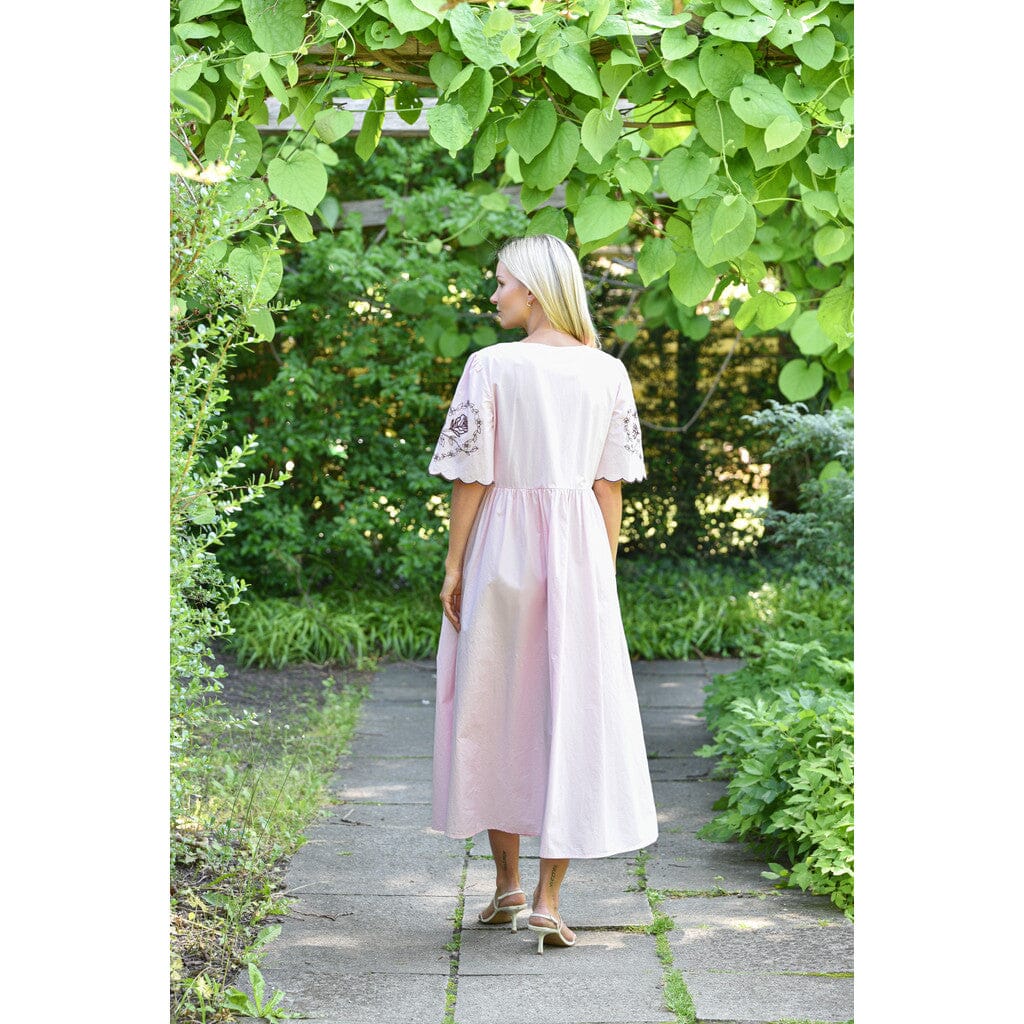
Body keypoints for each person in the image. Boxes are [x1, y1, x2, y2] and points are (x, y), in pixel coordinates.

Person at [427, 233, 657, 955]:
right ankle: (547, 901)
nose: (493, 294)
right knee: (572, 708)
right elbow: (609, 485)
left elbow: (473, 474)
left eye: (501, 282)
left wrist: (455, 564)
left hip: (502, 545)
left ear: (531, 288)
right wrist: (601, 572)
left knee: (497, 701)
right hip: (579, 548)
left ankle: (508, 887)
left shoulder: (490, 366)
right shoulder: (607, 372)